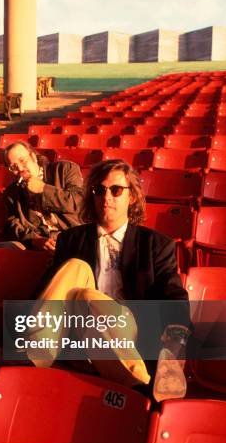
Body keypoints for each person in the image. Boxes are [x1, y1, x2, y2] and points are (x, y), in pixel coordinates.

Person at [27, 159, 191, 400]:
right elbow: (52, 290)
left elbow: (173, 293)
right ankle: (35, 355)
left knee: (86, 297)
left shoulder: (156, 244)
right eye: (99, 190)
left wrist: (176, 336)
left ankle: (138, 380)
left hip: (128, 331)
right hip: (80, 330)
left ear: (131, 197)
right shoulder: (71, 239)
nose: (107, 197)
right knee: (75, 269)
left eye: (116, 190)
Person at [2, 140, 84, 252]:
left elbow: (77, 202)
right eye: (13, 167)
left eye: (22, 160)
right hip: (38, 245)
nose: (20, 169)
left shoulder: (64, 169)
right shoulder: (11, 192)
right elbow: (13, 224)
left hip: (72, 238)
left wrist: (43, 189)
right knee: (2, 248)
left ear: (33, 157)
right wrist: (34, 239)